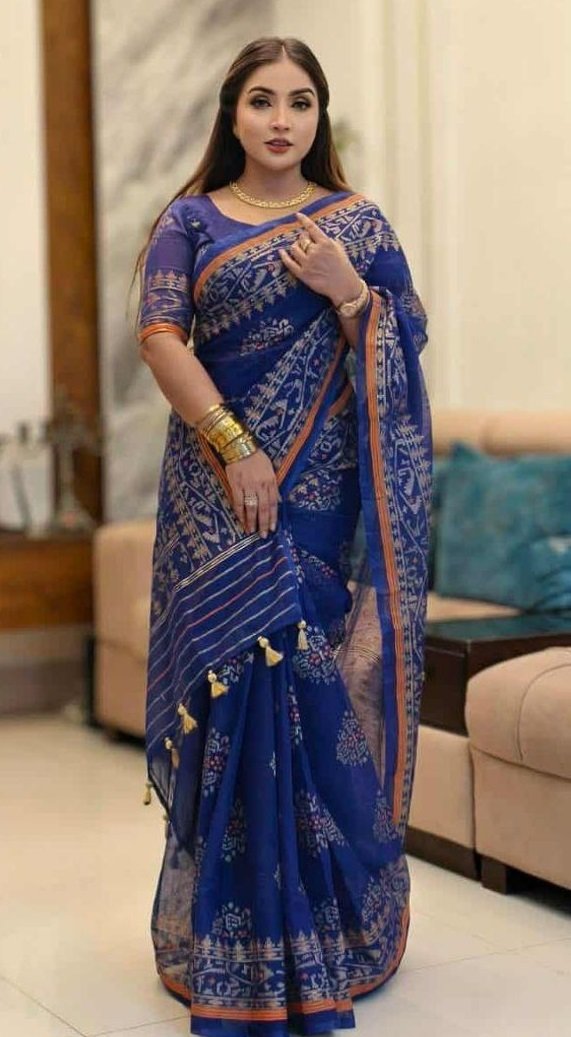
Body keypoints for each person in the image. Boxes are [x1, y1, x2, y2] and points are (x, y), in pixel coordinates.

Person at [134, 35, 432, 1037]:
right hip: (219, 497)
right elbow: (159, 338)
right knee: (235, 696)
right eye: (262, 99)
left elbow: (402, 339)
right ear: (232, 112)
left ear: (318, 116)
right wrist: (234, 446)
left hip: (316, 499)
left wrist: (349, 289)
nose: (280, 120)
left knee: (310, 696)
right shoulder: (189, 219)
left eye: (300, 102)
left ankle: (330, 930)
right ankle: (233, 942)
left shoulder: (352, 223)